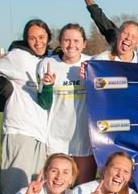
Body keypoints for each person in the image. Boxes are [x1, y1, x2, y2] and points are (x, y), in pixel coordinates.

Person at [0, 19, 52, 194]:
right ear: (25, 39)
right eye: (32, 38)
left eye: (42, 37)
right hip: (20, 130)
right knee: (16, 192)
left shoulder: (50, 58)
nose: (38, 42)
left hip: (42, 134)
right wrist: (3, 86)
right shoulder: (17, 56)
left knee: (37, 190)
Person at [36, 24, 95, 183]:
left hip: (85, 138)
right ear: (60, 42)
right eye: (67, 40)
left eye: (76, 41)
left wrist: (90, 80)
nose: (71, 45)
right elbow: (43, 103)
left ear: (84, 43)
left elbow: (103, 99)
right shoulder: (48, 64)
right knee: (53, 188)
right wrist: (47, 87)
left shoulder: (93, 64)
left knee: (83, 189)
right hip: (57, 138)